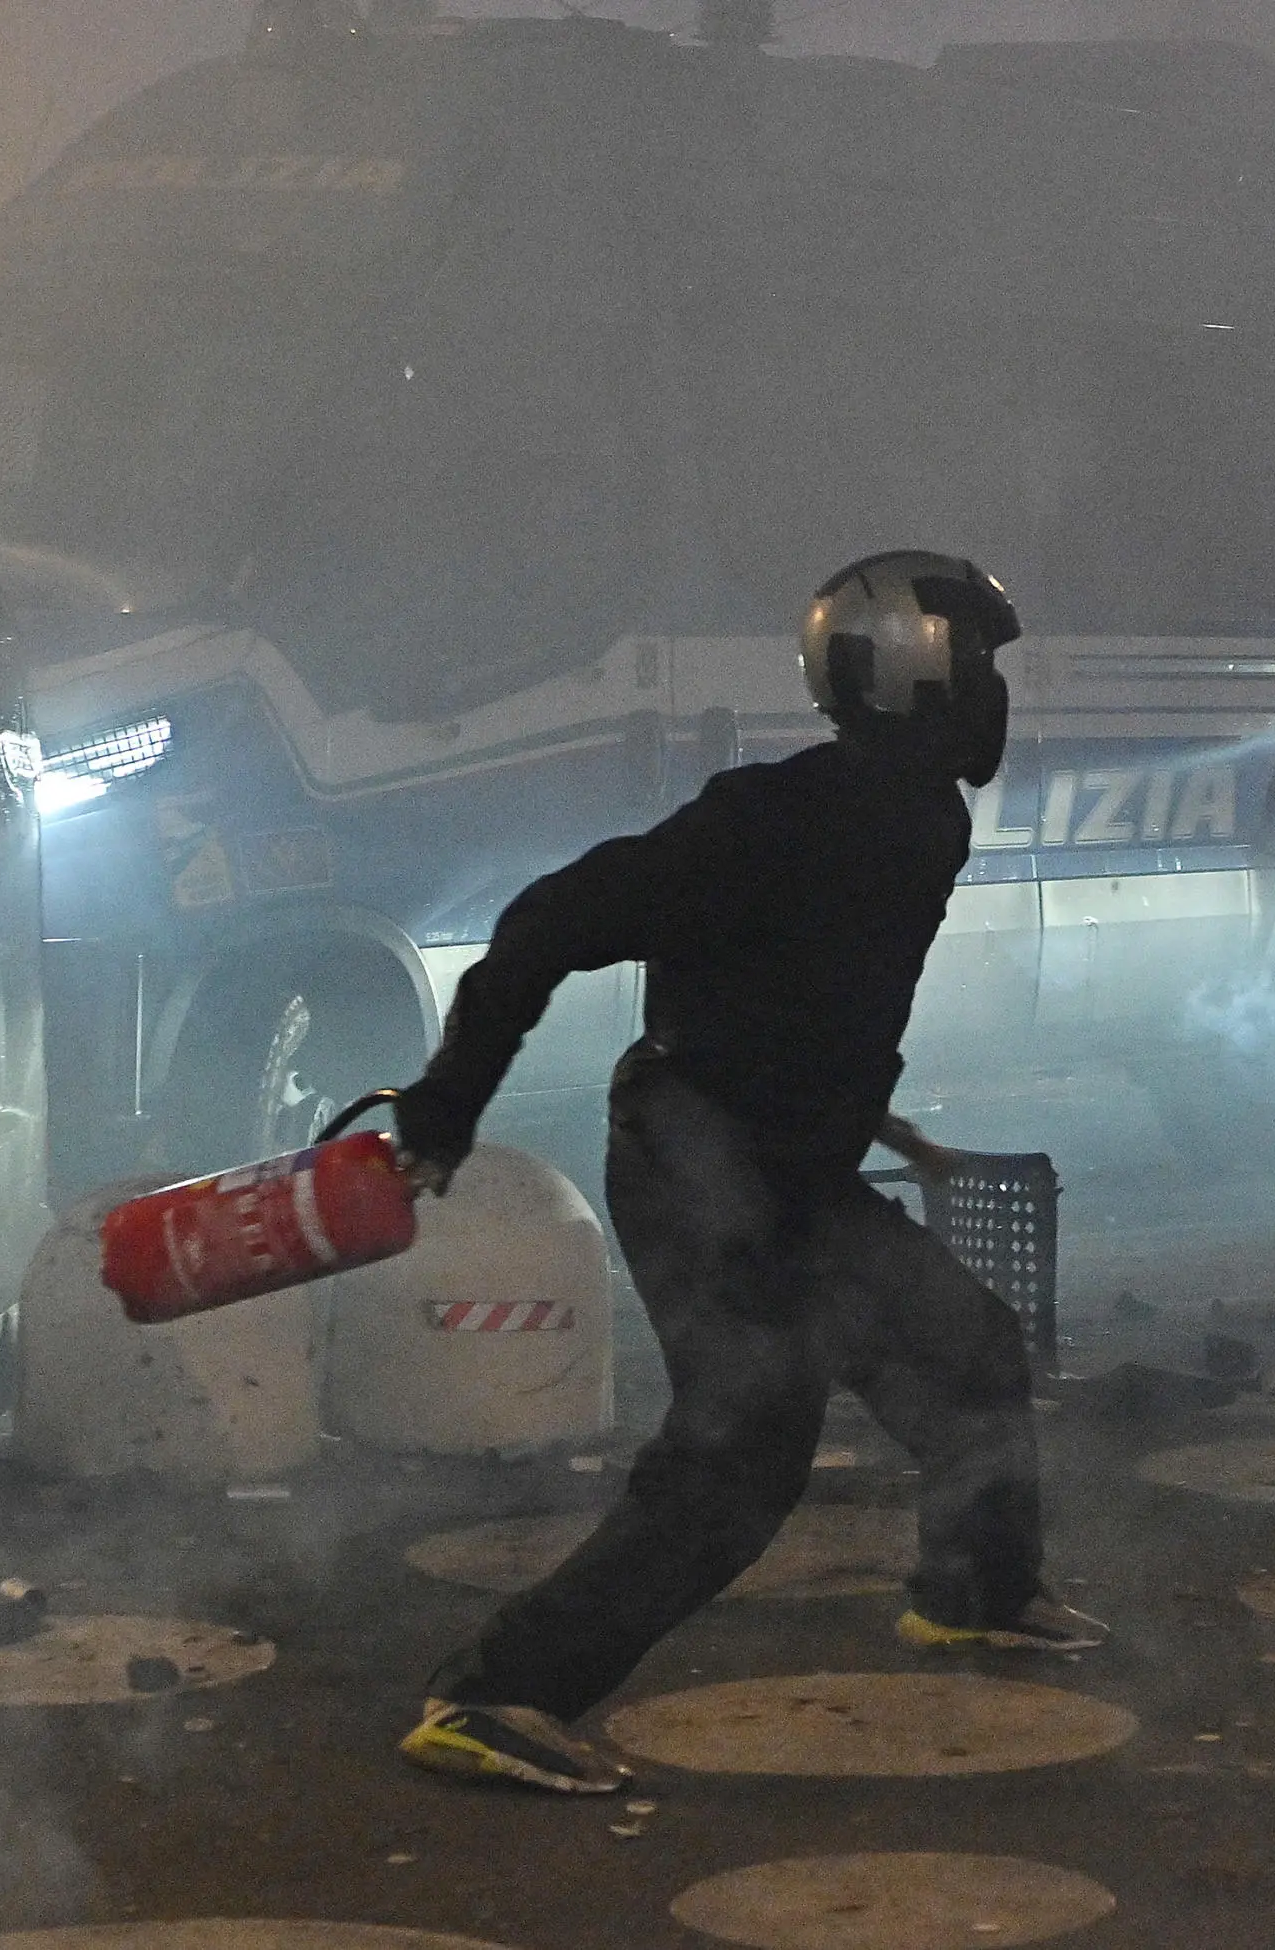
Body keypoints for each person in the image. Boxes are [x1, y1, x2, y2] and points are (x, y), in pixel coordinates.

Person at [390, 551, 1104, 1795]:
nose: (994, 692)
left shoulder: (922, 817)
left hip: (790, 1161)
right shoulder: (766, 820)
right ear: (909, 673)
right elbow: (548, 923)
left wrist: (880, 1126)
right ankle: (494, 1696)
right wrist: (448, 1106)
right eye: (977, 663)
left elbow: (818, 1001)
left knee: (970, 1354)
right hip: (694, 1161)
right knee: (741, 1454)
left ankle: (976, 1593)